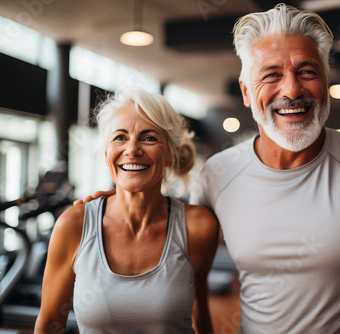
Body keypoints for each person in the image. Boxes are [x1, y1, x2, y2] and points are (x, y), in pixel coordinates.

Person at [77, 4, 340, 333]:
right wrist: (119, 199)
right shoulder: (218, 175)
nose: (292, 90)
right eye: (272, 74)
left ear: (326, 82)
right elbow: (177, 257)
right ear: (247, 92)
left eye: (307, 71)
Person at [35, 89, 219, 334]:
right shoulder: (73, 225)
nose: (132, 149)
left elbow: (200, 312)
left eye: (149, 138)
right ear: (106, 153)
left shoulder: (199, 226)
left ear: (171, 155)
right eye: (120, 137)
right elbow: (48, 325)